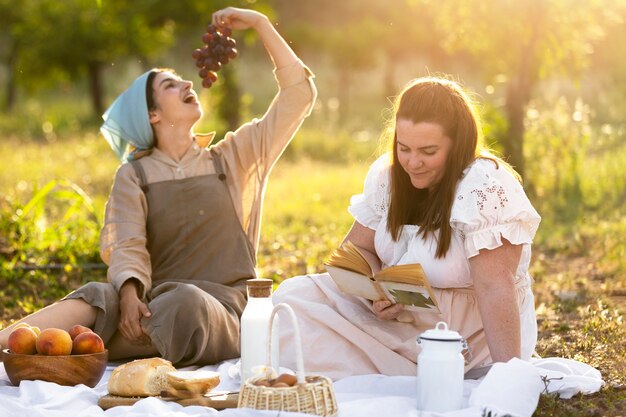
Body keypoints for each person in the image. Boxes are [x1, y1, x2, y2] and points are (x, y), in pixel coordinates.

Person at [0, 7, 316, 366]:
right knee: (98, 295)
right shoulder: (135, 176)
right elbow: (128, 243)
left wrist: (260, 24)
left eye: (183, 80)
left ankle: (85, 350)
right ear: (153, 115)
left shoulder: (231, 158)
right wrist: (131, 293)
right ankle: (11, 346)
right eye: (171, 85)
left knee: (187, 302)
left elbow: (298, 95)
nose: (188, 85)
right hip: (156, 304)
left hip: (223, 309)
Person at [273, 76, 540, 380]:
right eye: (404, 148)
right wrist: (375, 292)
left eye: (428, 151)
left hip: (460, 335)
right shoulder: (388, 177)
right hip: (398, 317)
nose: (413, 163)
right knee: (291, 300)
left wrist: (509, 375)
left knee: (312, 347)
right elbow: (357, 248)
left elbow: (496, 288)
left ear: (458, 144)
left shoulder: (482, 188)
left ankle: (388, 364)